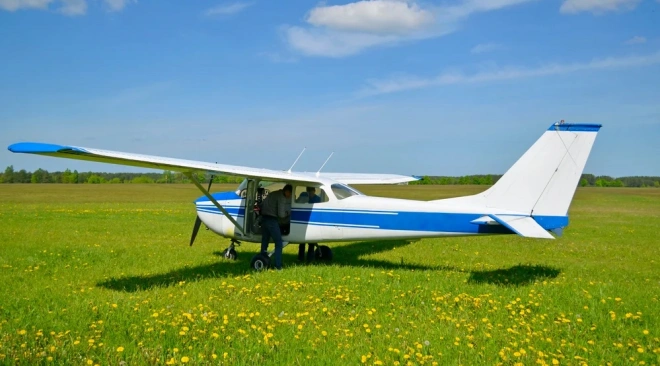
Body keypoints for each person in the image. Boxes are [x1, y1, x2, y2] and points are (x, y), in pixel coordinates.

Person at [260, 184, 292, 270]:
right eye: (290, 194)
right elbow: (281, 215)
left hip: (264, 218)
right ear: (287, 191)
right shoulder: (281, 197)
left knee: (265, 240)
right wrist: (288, 212)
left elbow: (262, 204)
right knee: (278, 243)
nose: (290, 196)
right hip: (272, 220)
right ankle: (278, 266)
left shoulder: (274, 193)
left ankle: (262, 258)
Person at [298, 186, 321, 262]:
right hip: (303, 220)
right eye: (308, 191)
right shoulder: (303, 195)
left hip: (312, 222)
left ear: (314, 191)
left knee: (311, 242)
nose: (310, 192)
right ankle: (300, 258)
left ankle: (310, 259)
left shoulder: (317, 199)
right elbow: (298, 202)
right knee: (302, 242)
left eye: (311, 191)